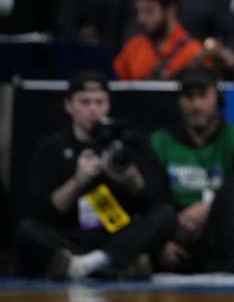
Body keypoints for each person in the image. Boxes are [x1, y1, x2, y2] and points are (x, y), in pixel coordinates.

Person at [14, 72, 175, 280]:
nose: (93, 109)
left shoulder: (129, 142)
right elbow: (42, 212)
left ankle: (84, 266)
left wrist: (131, 179)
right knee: (26, 230)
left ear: (108, 105)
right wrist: (77, 182)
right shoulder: (51, 147)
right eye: (85, 102)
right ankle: (110, 266)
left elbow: (154, 203)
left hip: (118, 237)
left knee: (167, 215)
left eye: (100, 102)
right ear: (69, 105)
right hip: (71, 238)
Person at [148, 66, 234, 272]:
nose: (196, 105)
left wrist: (208, 207)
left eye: (203, 95)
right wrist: (161, 243)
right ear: (179, 101)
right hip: (174, 234)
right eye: (188, 97)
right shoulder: (159, 142)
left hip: (223, 234)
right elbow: (153, 200)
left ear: (217, 98)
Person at [113, 0, 204, 81]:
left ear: (170, 10)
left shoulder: (193, 51)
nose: (140, 19)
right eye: (138, 12)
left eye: (149, 11)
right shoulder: (133, 47)